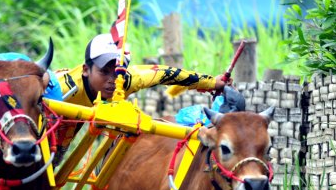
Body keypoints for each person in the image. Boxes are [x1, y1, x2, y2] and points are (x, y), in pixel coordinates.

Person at [53, 33, 229, 158]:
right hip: (56, 116)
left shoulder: (126, 80)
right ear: (86, 70)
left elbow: (165, 73)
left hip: (100, 117)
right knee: (54, 154)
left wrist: (212, 83)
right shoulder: (63, 88)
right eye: (104, 72)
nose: (112, 80)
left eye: (116, 72)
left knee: (117, 135)